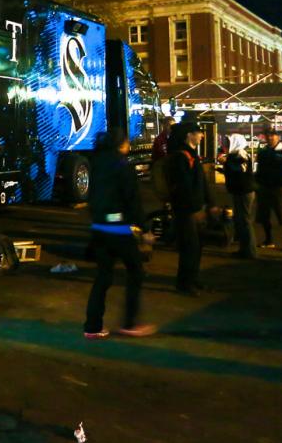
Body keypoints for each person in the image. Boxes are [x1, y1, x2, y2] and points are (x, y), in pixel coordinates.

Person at [83, 131, 156, 339]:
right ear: (121, 145)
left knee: (103, 277)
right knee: (136, 271)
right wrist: (145, 229)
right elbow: (132, 200)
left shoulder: (95, 163)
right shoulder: (123, 166)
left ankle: (92, 327)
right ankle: (130, 323)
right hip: (118, 229)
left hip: (99, 227)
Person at [164, 120, 208, 294]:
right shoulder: (182, 156)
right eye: (199, 132)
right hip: (186, 210)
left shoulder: (190, 154)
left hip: (192, 209)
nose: (202, 135)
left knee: (196, 247)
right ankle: (184, 283)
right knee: (189, 247)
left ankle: (192, 279)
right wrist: (196, 208)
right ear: (189, 135)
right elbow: (185, 186)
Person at [255, 128, 282, 252]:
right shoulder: (263, 152)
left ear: (277, 137)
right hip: (264, 187)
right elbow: (259, 170)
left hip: (279, 187)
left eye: (272, 135)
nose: (270, 138)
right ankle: (269, 240)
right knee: (264, 216)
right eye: (268, 136)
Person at [221, 134, 257, 259]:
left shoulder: (240, 154)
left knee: (245, 221)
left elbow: (240, 170)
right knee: (240, 220)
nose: (225, 145)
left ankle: (250, 251)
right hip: (239, 190)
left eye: (228, 142)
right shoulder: (235, 155)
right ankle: (244, 249)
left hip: (244, 191)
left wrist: (226, 164)